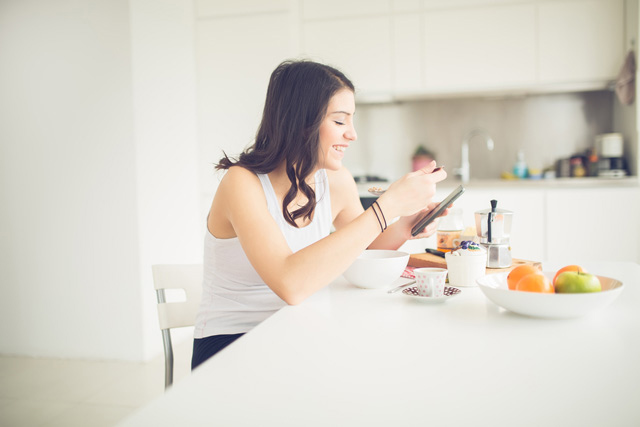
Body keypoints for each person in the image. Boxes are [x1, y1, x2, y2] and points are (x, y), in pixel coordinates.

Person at [192, 60, 447, 369]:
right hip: (233, 342)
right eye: (340, 121)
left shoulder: (335, 181)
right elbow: (291, 284)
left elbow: (362, 248)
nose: (352, 134)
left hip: (296, 328)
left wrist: (406, 225)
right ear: (302, 122)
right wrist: (387, 206)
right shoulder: (241, 183)